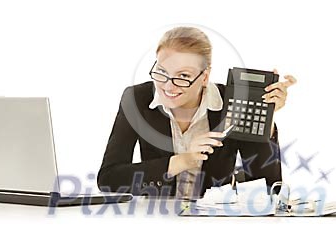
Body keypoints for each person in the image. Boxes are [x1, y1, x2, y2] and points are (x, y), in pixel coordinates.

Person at [97, 26, 296, 199]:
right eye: (162, 72)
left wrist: (266, 120)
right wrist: (183, 160)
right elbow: (109, 179)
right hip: (157, 217)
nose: (168, 86)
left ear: (204, 77)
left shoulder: (231, 101)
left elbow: (266, 185)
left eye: (183, 75)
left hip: (215, 219)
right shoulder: (136, 99)